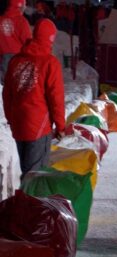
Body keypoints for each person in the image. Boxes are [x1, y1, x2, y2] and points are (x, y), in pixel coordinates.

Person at [2, 19, 65, 180]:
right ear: (51, 38)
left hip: (19, 124)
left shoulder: (16, 61)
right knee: (35, 177)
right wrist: (60, 125)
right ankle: (27, 203)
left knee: (27, 171)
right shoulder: (50, 63)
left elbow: (7, 94)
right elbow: (55, 97)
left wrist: (11, 118)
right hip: (38, 127)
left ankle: (26, 202)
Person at [0, 0, 31, 84]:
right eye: (24, 4)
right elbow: (27, 41)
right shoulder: (22, 21)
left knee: (4, 85)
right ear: (19, 5)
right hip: (18, 57)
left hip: (3, 58)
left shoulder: (1, 19)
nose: (25, 7)